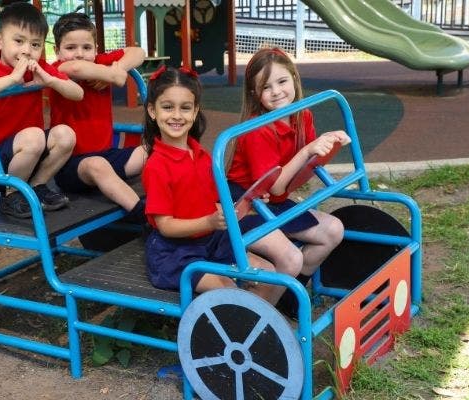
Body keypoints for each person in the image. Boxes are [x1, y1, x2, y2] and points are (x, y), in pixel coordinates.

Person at [141, 66, 284, 303]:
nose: (177, 115)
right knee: (230, 290)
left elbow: (217, 202)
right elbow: (165, 226)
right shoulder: (157, 165)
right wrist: (209, 221)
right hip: (176, 252)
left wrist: (249, 200)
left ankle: (257, 330)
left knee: (267, 274)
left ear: (195, 111)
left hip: (209, 240)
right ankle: (242, 329)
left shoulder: (203, 155)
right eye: (167, 107)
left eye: (185, 108)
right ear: (152, 111)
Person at [227, 47, 351, 317]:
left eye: (282, 81)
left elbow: (304, 169)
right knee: (290, 258)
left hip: (271, 201)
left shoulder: (302, 114)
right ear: (254, 94)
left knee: (333, 230)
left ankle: (286, 297)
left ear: (294, 78)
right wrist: (308, 151)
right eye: (266, 87)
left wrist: (330, 143)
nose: (276, 92)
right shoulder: (257, 129)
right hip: (243, 203)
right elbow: (276, 185)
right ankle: (256, 319)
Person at [0, 2, 83, 219]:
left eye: (35, 45)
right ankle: (11, 196)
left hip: (30, 155)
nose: (27, 50)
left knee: (66, 134)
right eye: (19, 41)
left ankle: (36, 186)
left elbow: (77, 93)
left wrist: (50, 80)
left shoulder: (40, 67)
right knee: (34, 136)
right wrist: (11, 79)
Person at [47, 12, 147, 222]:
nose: (79, 53)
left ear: (95, 49)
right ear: (57, 51)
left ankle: (179, 201)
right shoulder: (58, 70)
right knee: (96, 166)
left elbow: (138, 52)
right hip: (72, 166)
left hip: (107, 154)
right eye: (70, 48)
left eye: (86, 48)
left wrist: (115, 69)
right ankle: (142, 215)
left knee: (153, 150)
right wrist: (109, 74)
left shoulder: (100, 64)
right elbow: (75, 67)